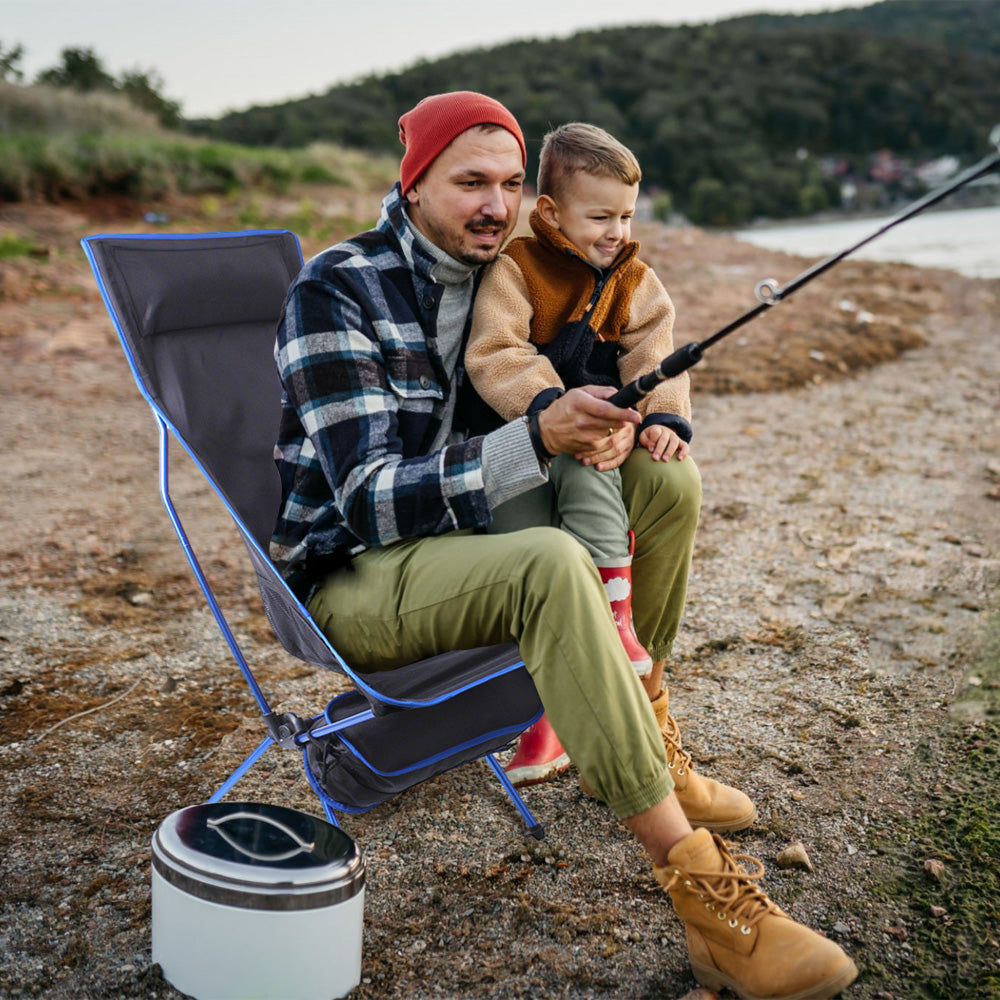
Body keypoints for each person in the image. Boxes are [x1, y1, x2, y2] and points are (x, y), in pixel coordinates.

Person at [271, 90, 858, 1000]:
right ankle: (709, 906)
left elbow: (575, 361)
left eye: (509, 184)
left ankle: (645, 739)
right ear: (413, 181)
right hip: (354, 572)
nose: (494, 206)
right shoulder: (338, 288)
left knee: (666, 484)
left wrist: (615, 424)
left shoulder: (511, 269)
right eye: (469, 182)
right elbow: (371, 501)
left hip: (473, 535)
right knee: (553, 564)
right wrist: (540, 437)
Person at [465, 121, 696, 789]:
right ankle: (554, 707)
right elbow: (498, 353)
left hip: (600, 428)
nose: (616, 231)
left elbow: (657, 350)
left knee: (607, 461)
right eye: (600, 216)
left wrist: (660, 417)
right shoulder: (518, 268)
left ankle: (624, 649)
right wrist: (549, 408)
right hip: (520, 434)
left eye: (625, 215)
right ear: (551, 213)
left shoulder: (634, 278)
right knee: (545, 538)